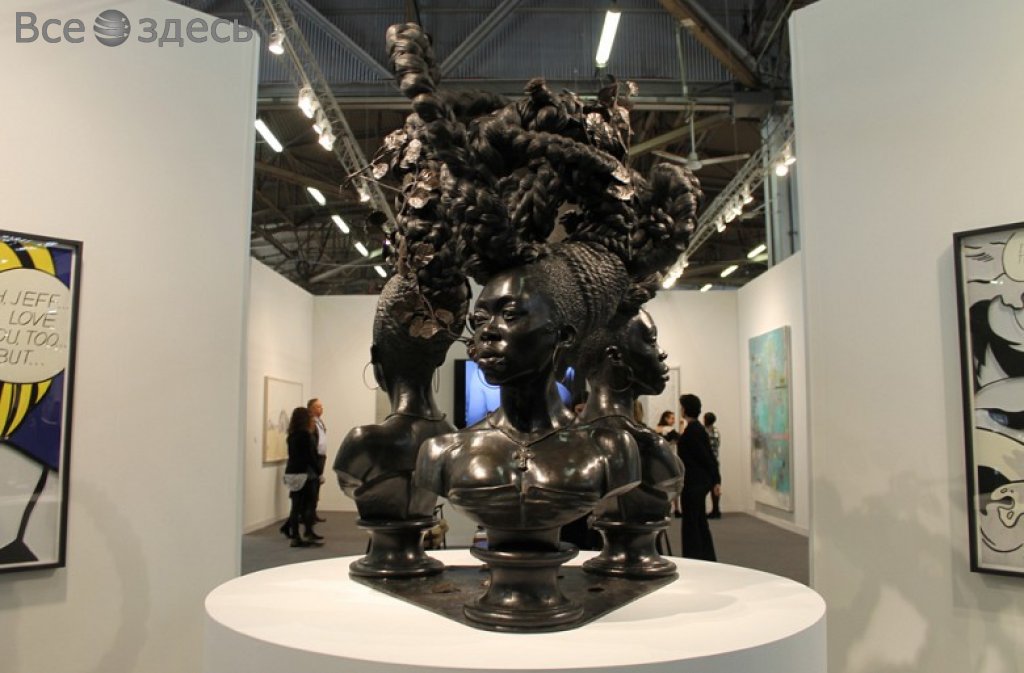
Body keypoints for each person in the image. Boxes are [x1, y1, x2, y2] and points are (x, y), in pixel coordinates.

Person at [677, 393, 719, 561]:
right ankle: (705, 557)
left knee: (692, 522)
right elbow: (709, 456)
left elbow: (706, 457)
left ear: (685, 409)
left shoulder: (693, 431)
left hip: (694, 483)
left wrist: (716, 480)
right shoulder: (696, 429)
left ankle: (694, 557)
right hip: (698, 482)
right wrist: (715, 480)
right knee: (698, 520)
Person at [282, 406, 322, 547]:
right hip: (305, 473)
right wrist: (318, 471)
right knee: (309, 504)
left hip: (292, 472)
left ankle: (295, 536)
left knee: (295, 506)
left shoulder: (291, 436)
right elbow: (310, 456)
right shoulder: (306, 436)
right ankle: (307, 533)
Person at [308, 398, 327, 522]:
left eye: (321, 406)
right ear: (311, 408)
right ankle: (307, 514)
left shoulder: (320, 422)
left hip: (321, 457)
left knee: (317, 486)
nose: (321, 409)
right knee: (312, 487)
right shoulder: (310, 423)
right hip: (314, 457)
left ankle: (313, 512)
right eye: (318, 407)